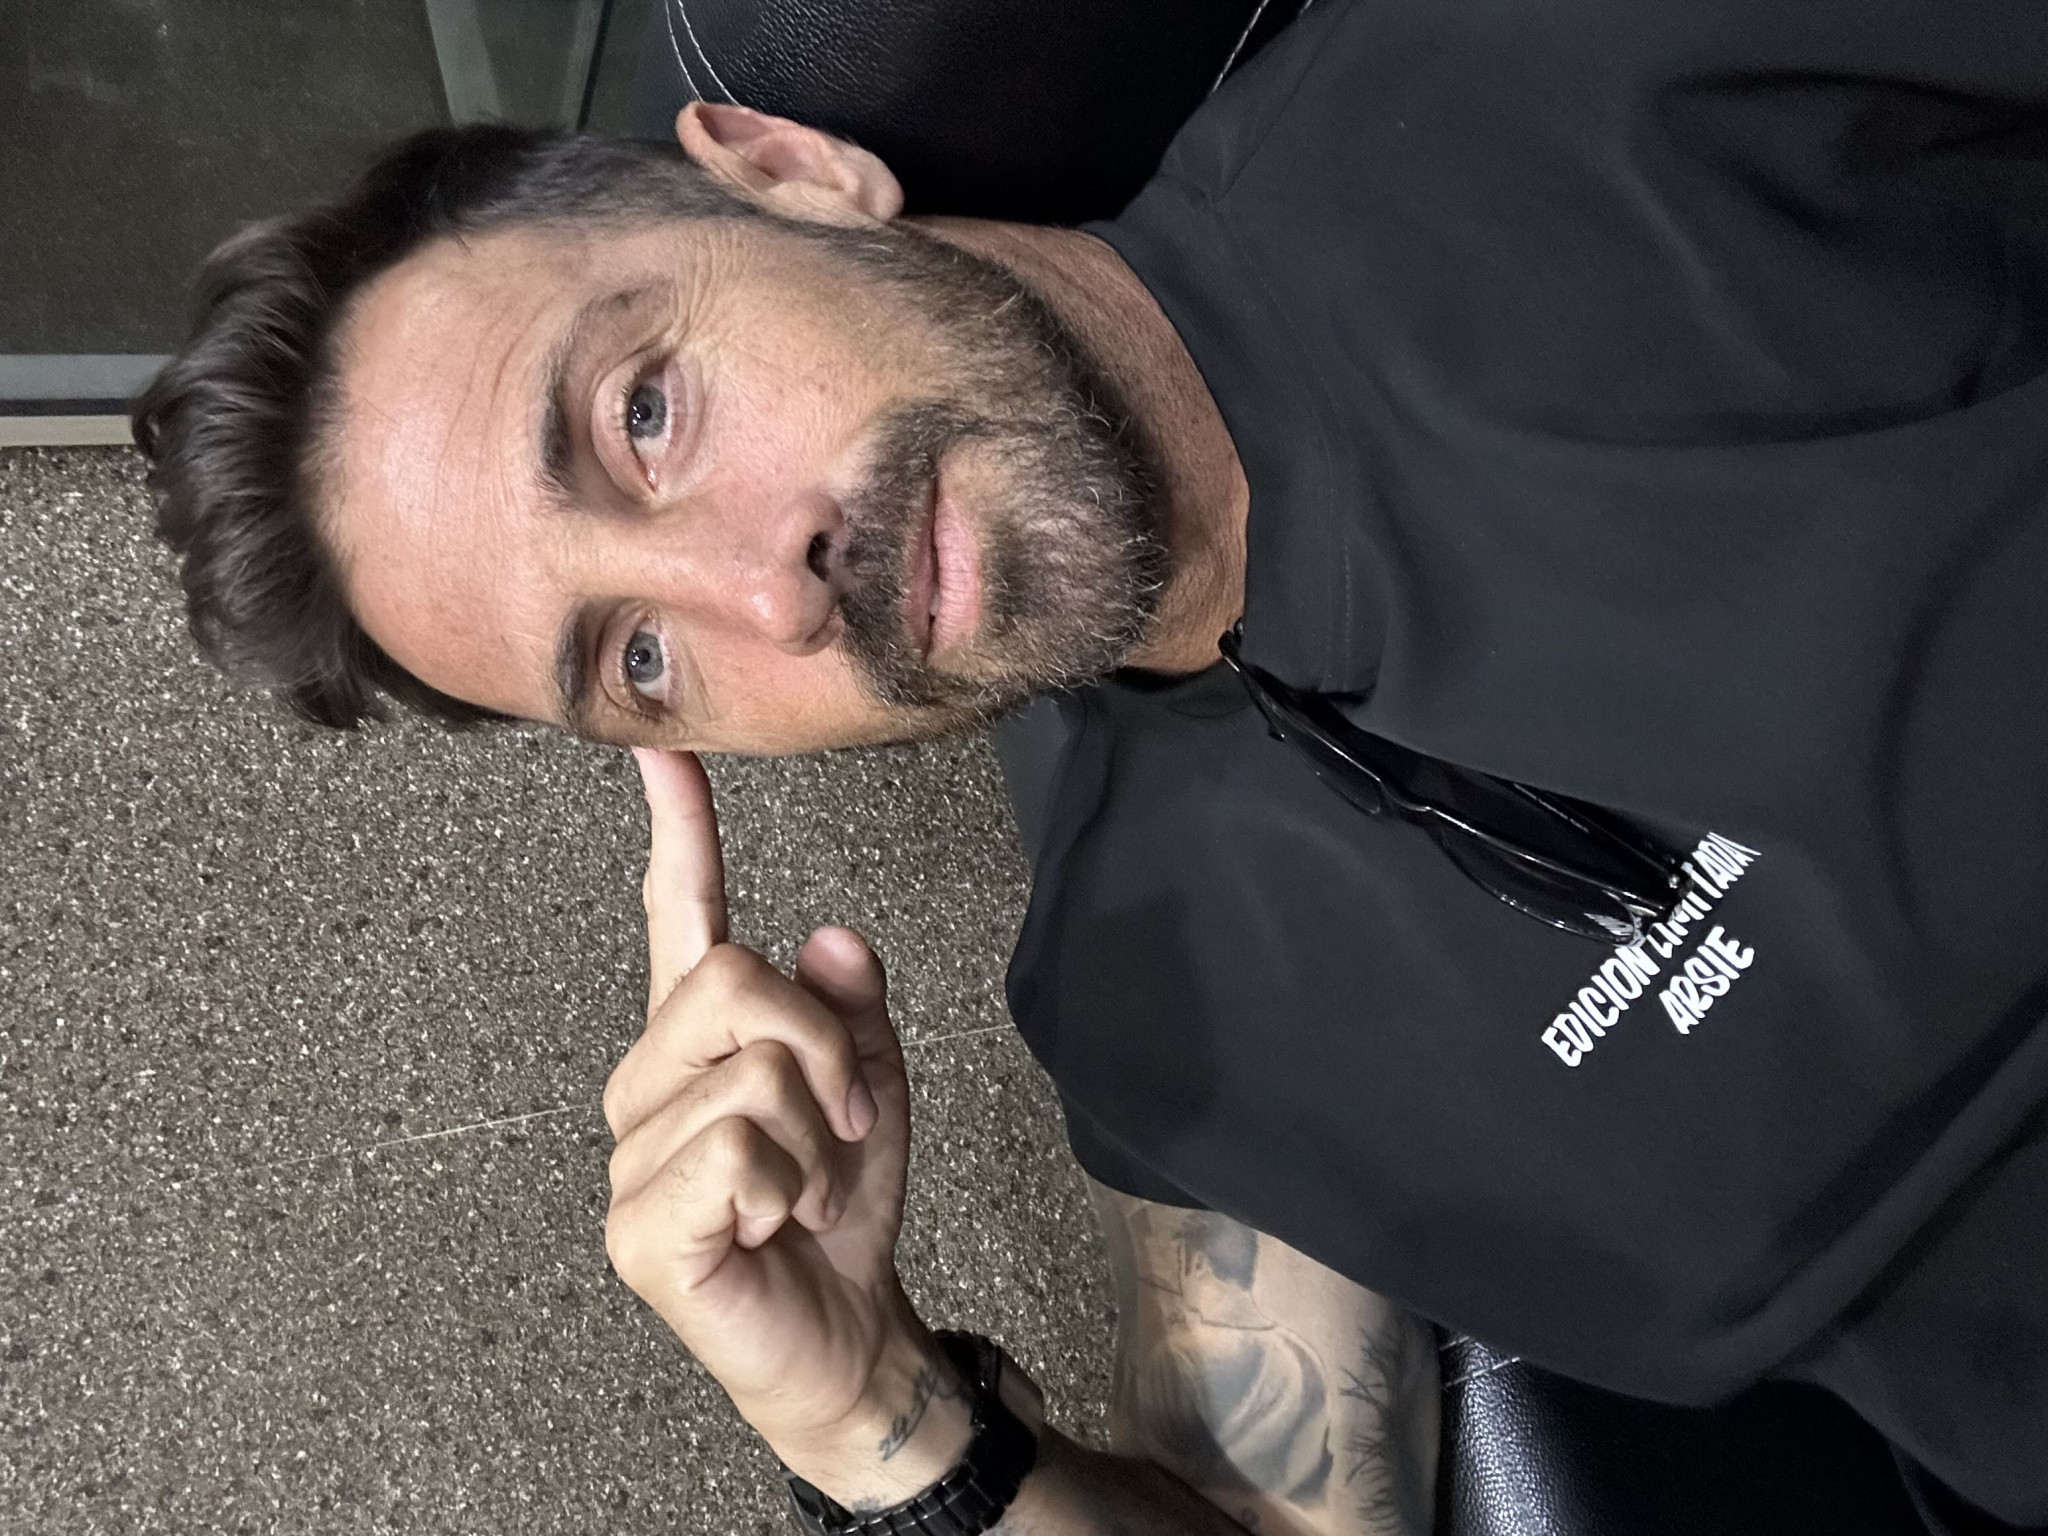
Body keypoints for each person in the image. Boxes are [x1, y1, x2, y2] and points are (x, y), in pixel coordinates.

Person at [130, 0, 2048, 1529]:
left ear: (790, 174)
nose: (762, 591)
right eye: (638, 658)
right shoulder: (1155, 1008)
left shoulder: (1574, 73)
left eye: (645, 412)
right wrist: (876, 1422)